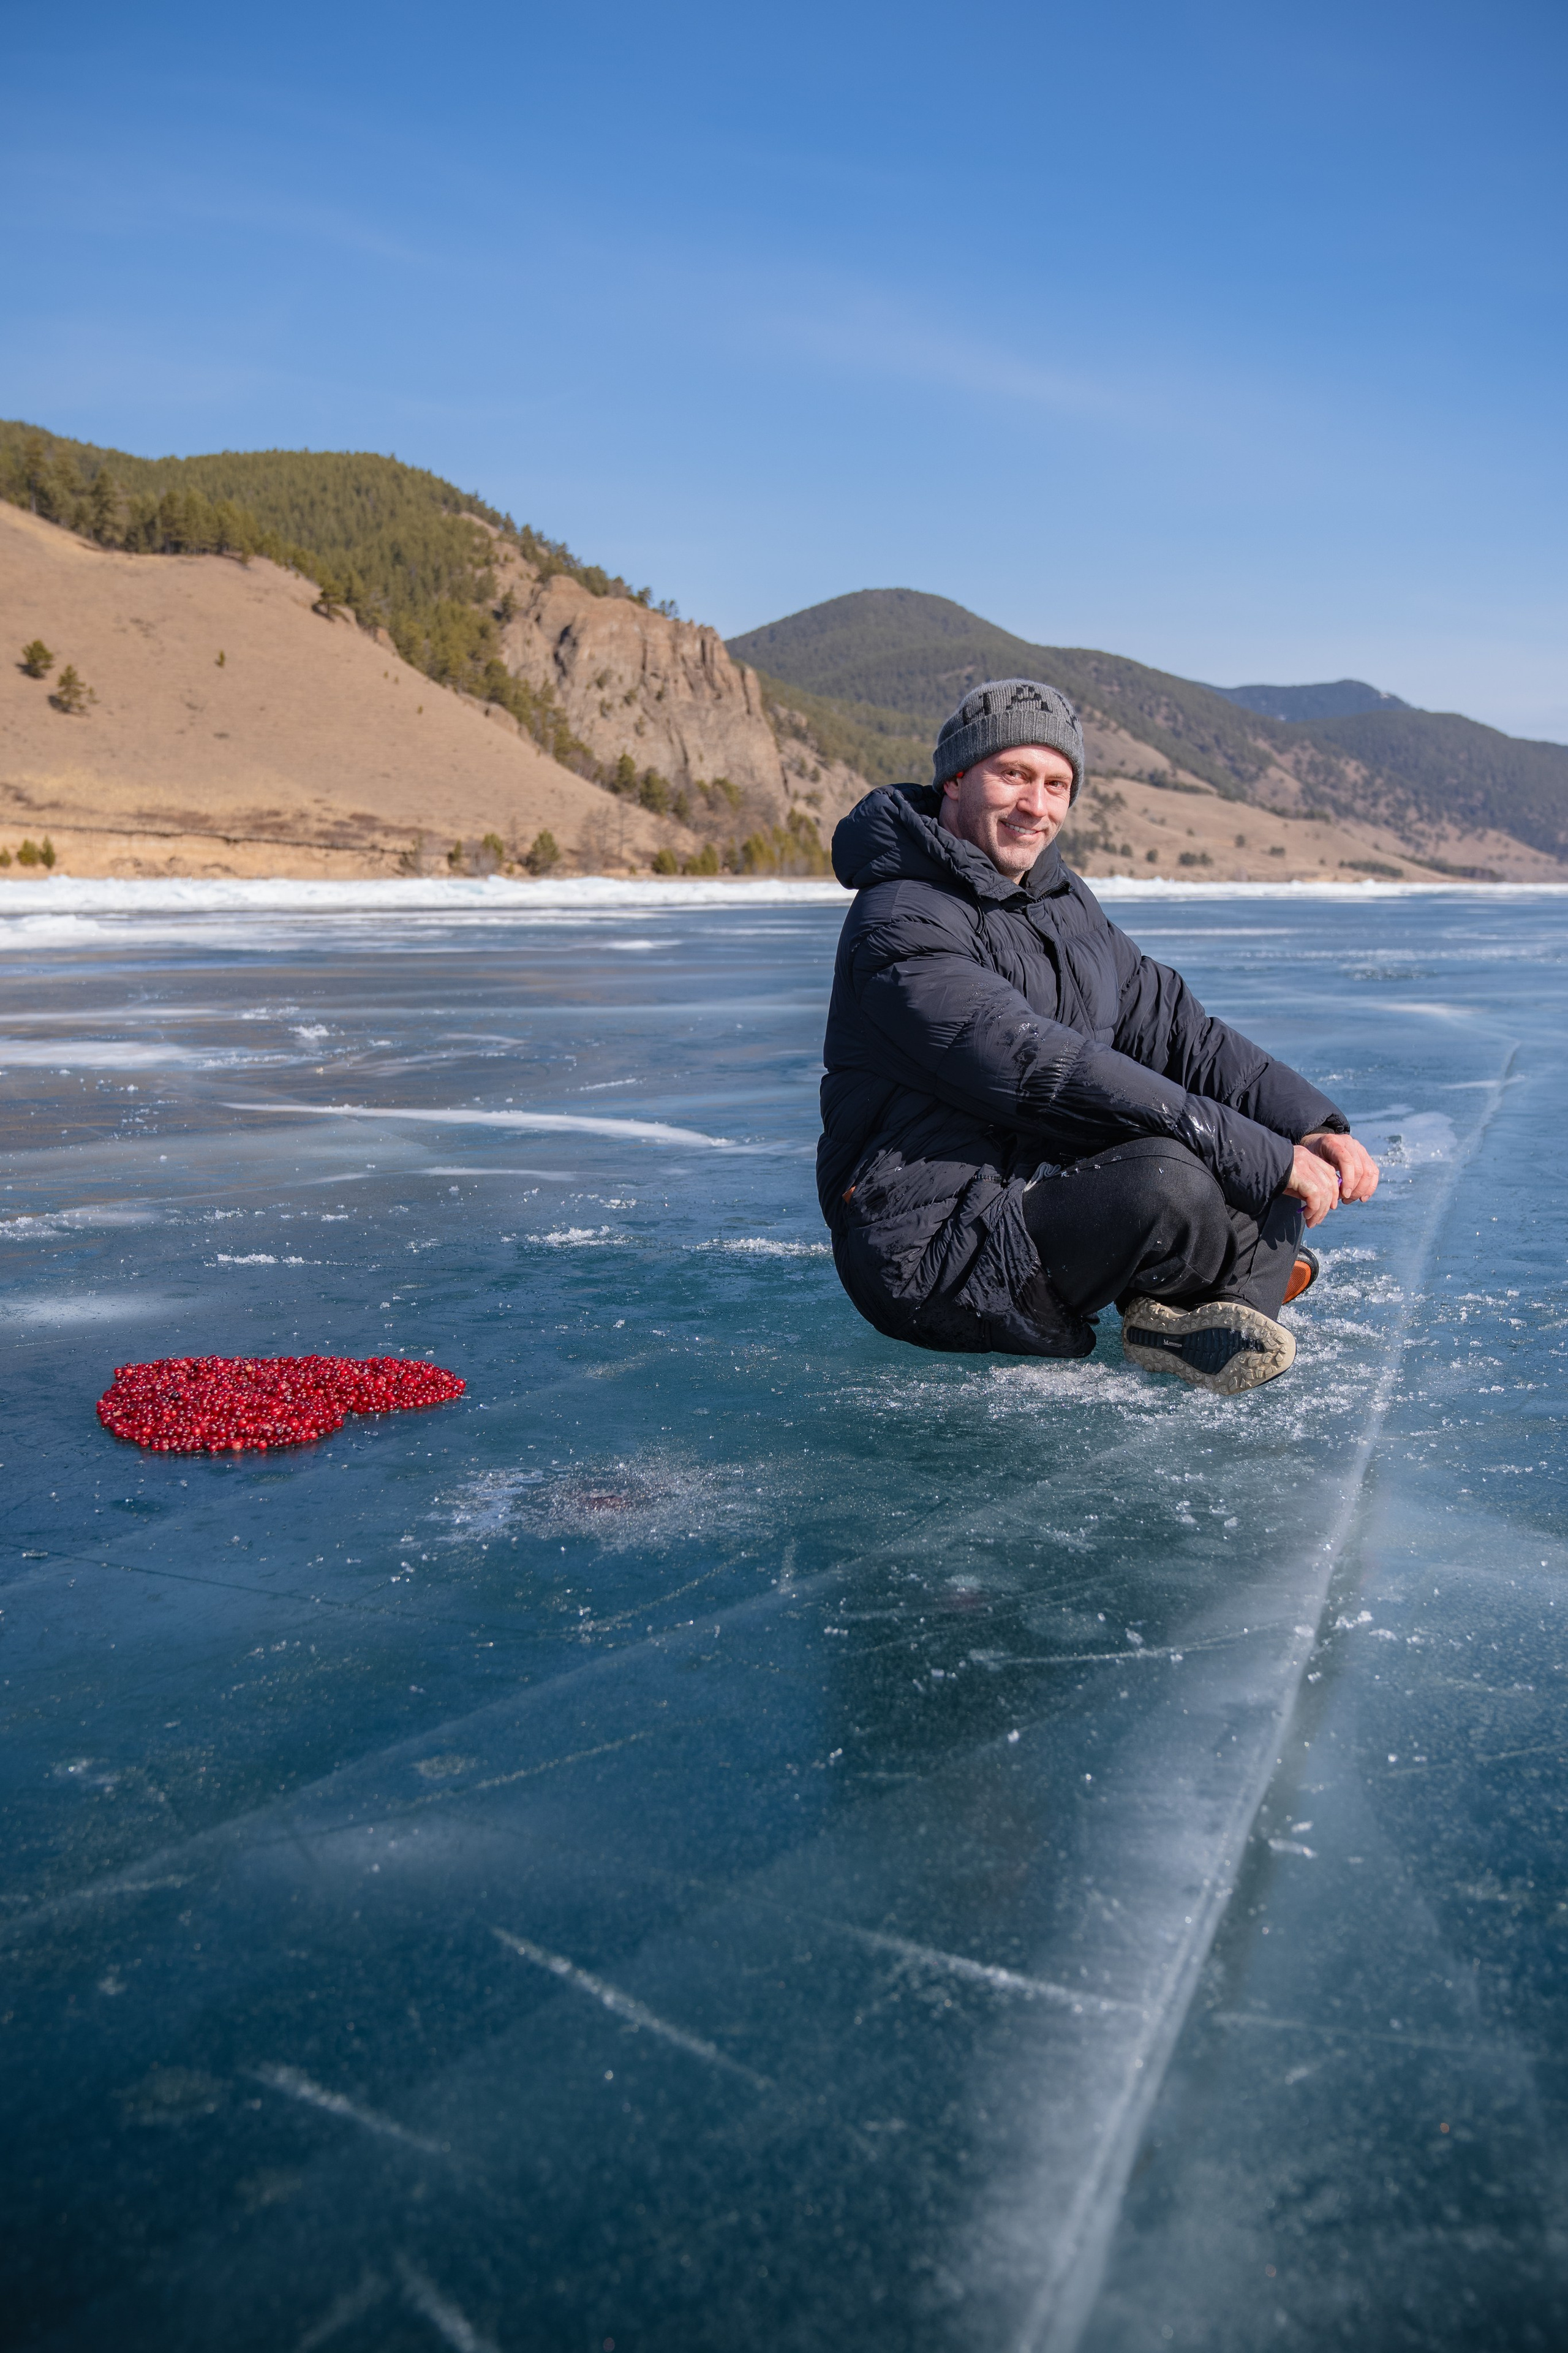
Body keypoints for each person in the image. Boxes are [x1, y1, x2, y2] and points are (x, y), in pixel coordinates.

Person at [816, 677, 1379, 1395]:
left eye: (1056, 784)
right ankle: (1212, 1281)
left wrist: (1308, 1125)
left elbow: (1180, 1031)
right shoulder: (901, 920)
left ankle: (1207, 1311)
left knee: (1270, 1184)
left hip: (1031, 1191)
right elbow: (1040, 1067)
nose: (1036, 805)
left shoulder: (1061, 902)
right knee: (1173, 1177)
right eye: (1013, 775)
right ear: (956, 779)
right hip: (933, 1247)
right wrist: (1259, 1156)